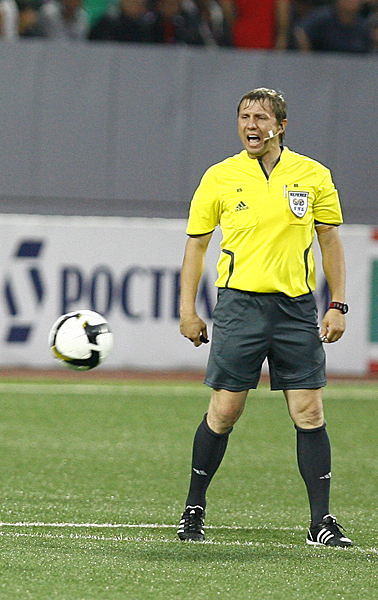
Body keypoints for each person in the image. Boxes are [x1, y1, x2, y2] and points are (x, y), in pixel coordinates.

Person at [177, 87, 352, 547]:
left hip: (295, 309)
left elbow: (330, 240)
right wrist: (187, 309)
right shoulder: (220, 176)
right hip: (240, 307)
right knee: (225, 411)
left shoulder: (313, 174)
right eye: (244, 117)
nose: (250, 125)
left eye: (259, 117)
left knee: (309, 411)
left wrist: (337, 303)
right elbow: (196, 244)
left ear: (281, 126)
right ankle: (194, 507)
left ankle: (320, 521)